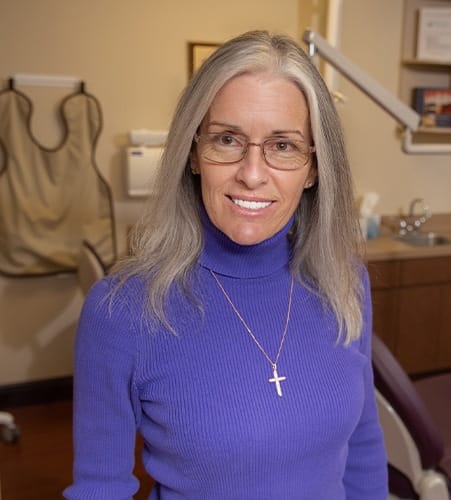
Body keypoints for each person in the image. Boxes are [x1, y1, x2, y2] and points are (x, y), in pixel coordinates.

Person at [64, 30, 388, 499]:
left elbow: (362, 445)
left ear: (314, 168)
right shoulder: (123, 311)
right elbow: (100, 489)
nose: (252, 174)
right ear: (195, 154)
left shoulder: (344, 282)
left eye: (283, 146)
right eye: (227, 139)